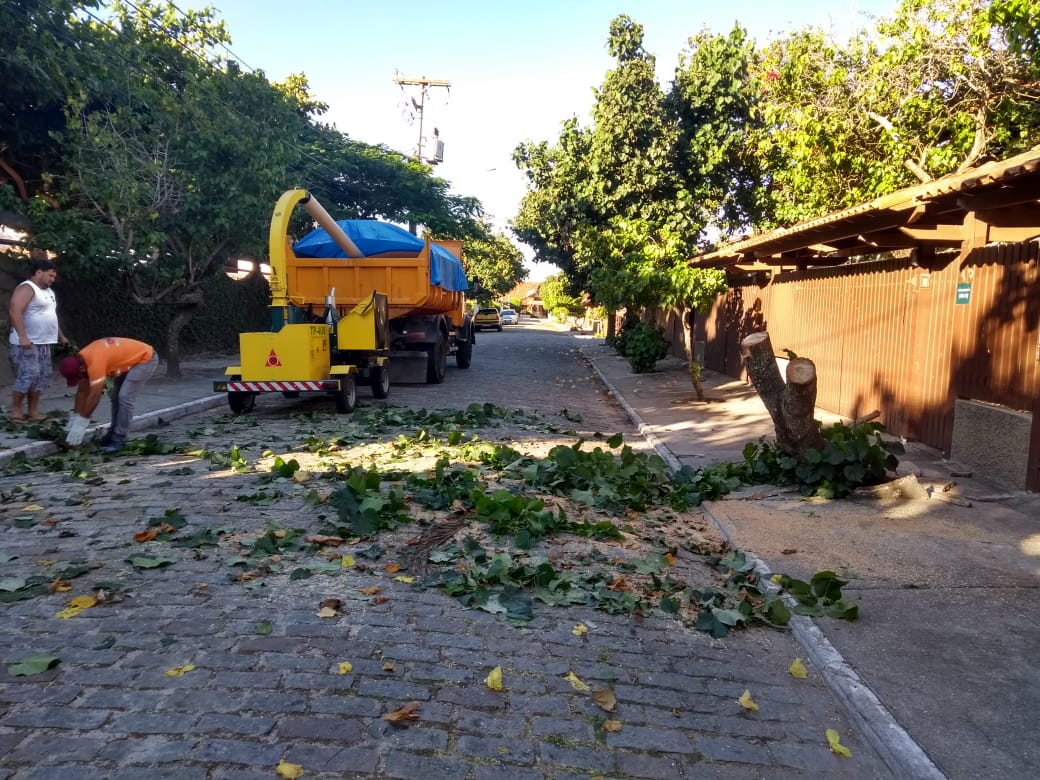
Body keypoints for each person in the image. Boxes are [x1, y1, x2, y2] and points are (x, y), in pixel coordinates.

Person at [57, 337, 158, 453]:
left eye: (77, 377)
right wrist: (75, 417)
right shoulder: (81, 361)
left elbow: (95, 395)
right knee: (115, 397)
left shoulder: (95, 362)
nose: (79, 379)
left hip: (145, 359)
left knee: (124, 397)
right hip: (129, 361)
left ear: (81, 368)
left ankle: (119, 438)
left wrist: (81, 423)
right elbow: (82, 393)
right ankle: (112, 434)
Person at [8, 259, 67, 424]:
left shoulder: (49, 292)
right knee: (28, 375)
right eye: (50, 275)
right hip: (27, 342)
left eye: (54, 276)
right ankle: (15, 412)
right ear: (39, 272)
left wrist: (60, 336)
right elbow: (14, 310)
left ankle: (33, 411)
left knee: (41, 377)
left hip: (44, 342)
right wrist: (23, 336)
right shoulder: (27, 288)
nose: (52, 279)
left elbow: (51, 316)